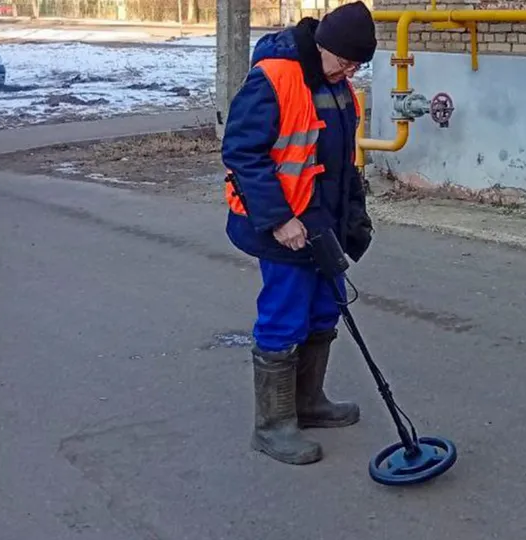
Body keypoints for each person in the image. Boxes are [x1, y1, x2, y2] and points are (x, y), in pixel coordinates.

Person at [220, 2, 376, 466]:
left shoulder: (339, 86)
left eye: (356, 65)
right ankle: (272, 427)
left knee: (324, 312)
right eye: (345, 61)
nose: (350, 70)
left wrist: (352, 217)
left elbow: (342, 162)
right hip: (282, 227)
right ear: (323, 44)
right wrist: (278, 220)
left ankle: (308, 403)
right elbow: (243, 153)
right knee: (283, 318)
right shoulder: (274, 77)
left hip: (321, 225)